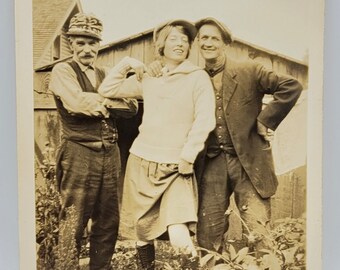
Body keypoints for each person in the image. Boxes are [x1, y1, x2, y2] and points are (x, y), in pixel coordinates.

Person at [98, 19, 216, 269]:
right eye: (174, 38)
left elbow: (204, 120)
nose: (181, 44)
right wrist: (129, 63)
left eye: (185, 40)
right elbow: (106, 89)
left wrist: (188, 156)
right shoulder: (150, 77)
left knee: (177, 227)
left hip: (177, 166)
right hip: (142, 161)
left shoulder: (198, 78)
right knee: (142, 230)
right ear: (161, 45)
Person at [192, 17, 303, 252]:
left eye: (214, 38)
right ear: (197, 43)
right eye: (203, 38)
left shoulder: (249, 70)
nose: (208, 43)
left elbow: (291, 86)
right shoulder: (194, 78)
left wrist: (266, 120)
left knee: (258, 234)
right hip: (211, 165)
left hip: (250, 164)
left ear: (225, 43)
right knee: (208, 238)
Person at [49, 13, 138, 270]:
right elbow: (77, 104)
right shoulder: (63, 70)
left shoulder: (106, 72)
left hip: (110, 154)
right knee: (74, 220)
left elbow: (131, 107)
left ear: (99, 44)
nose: (87, 49)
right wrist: (111, 101)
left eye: (92, 43)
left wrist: (100, 101)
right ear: (72, 44)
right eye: (81, 43)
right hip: (79, 152)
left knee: (108, 220)